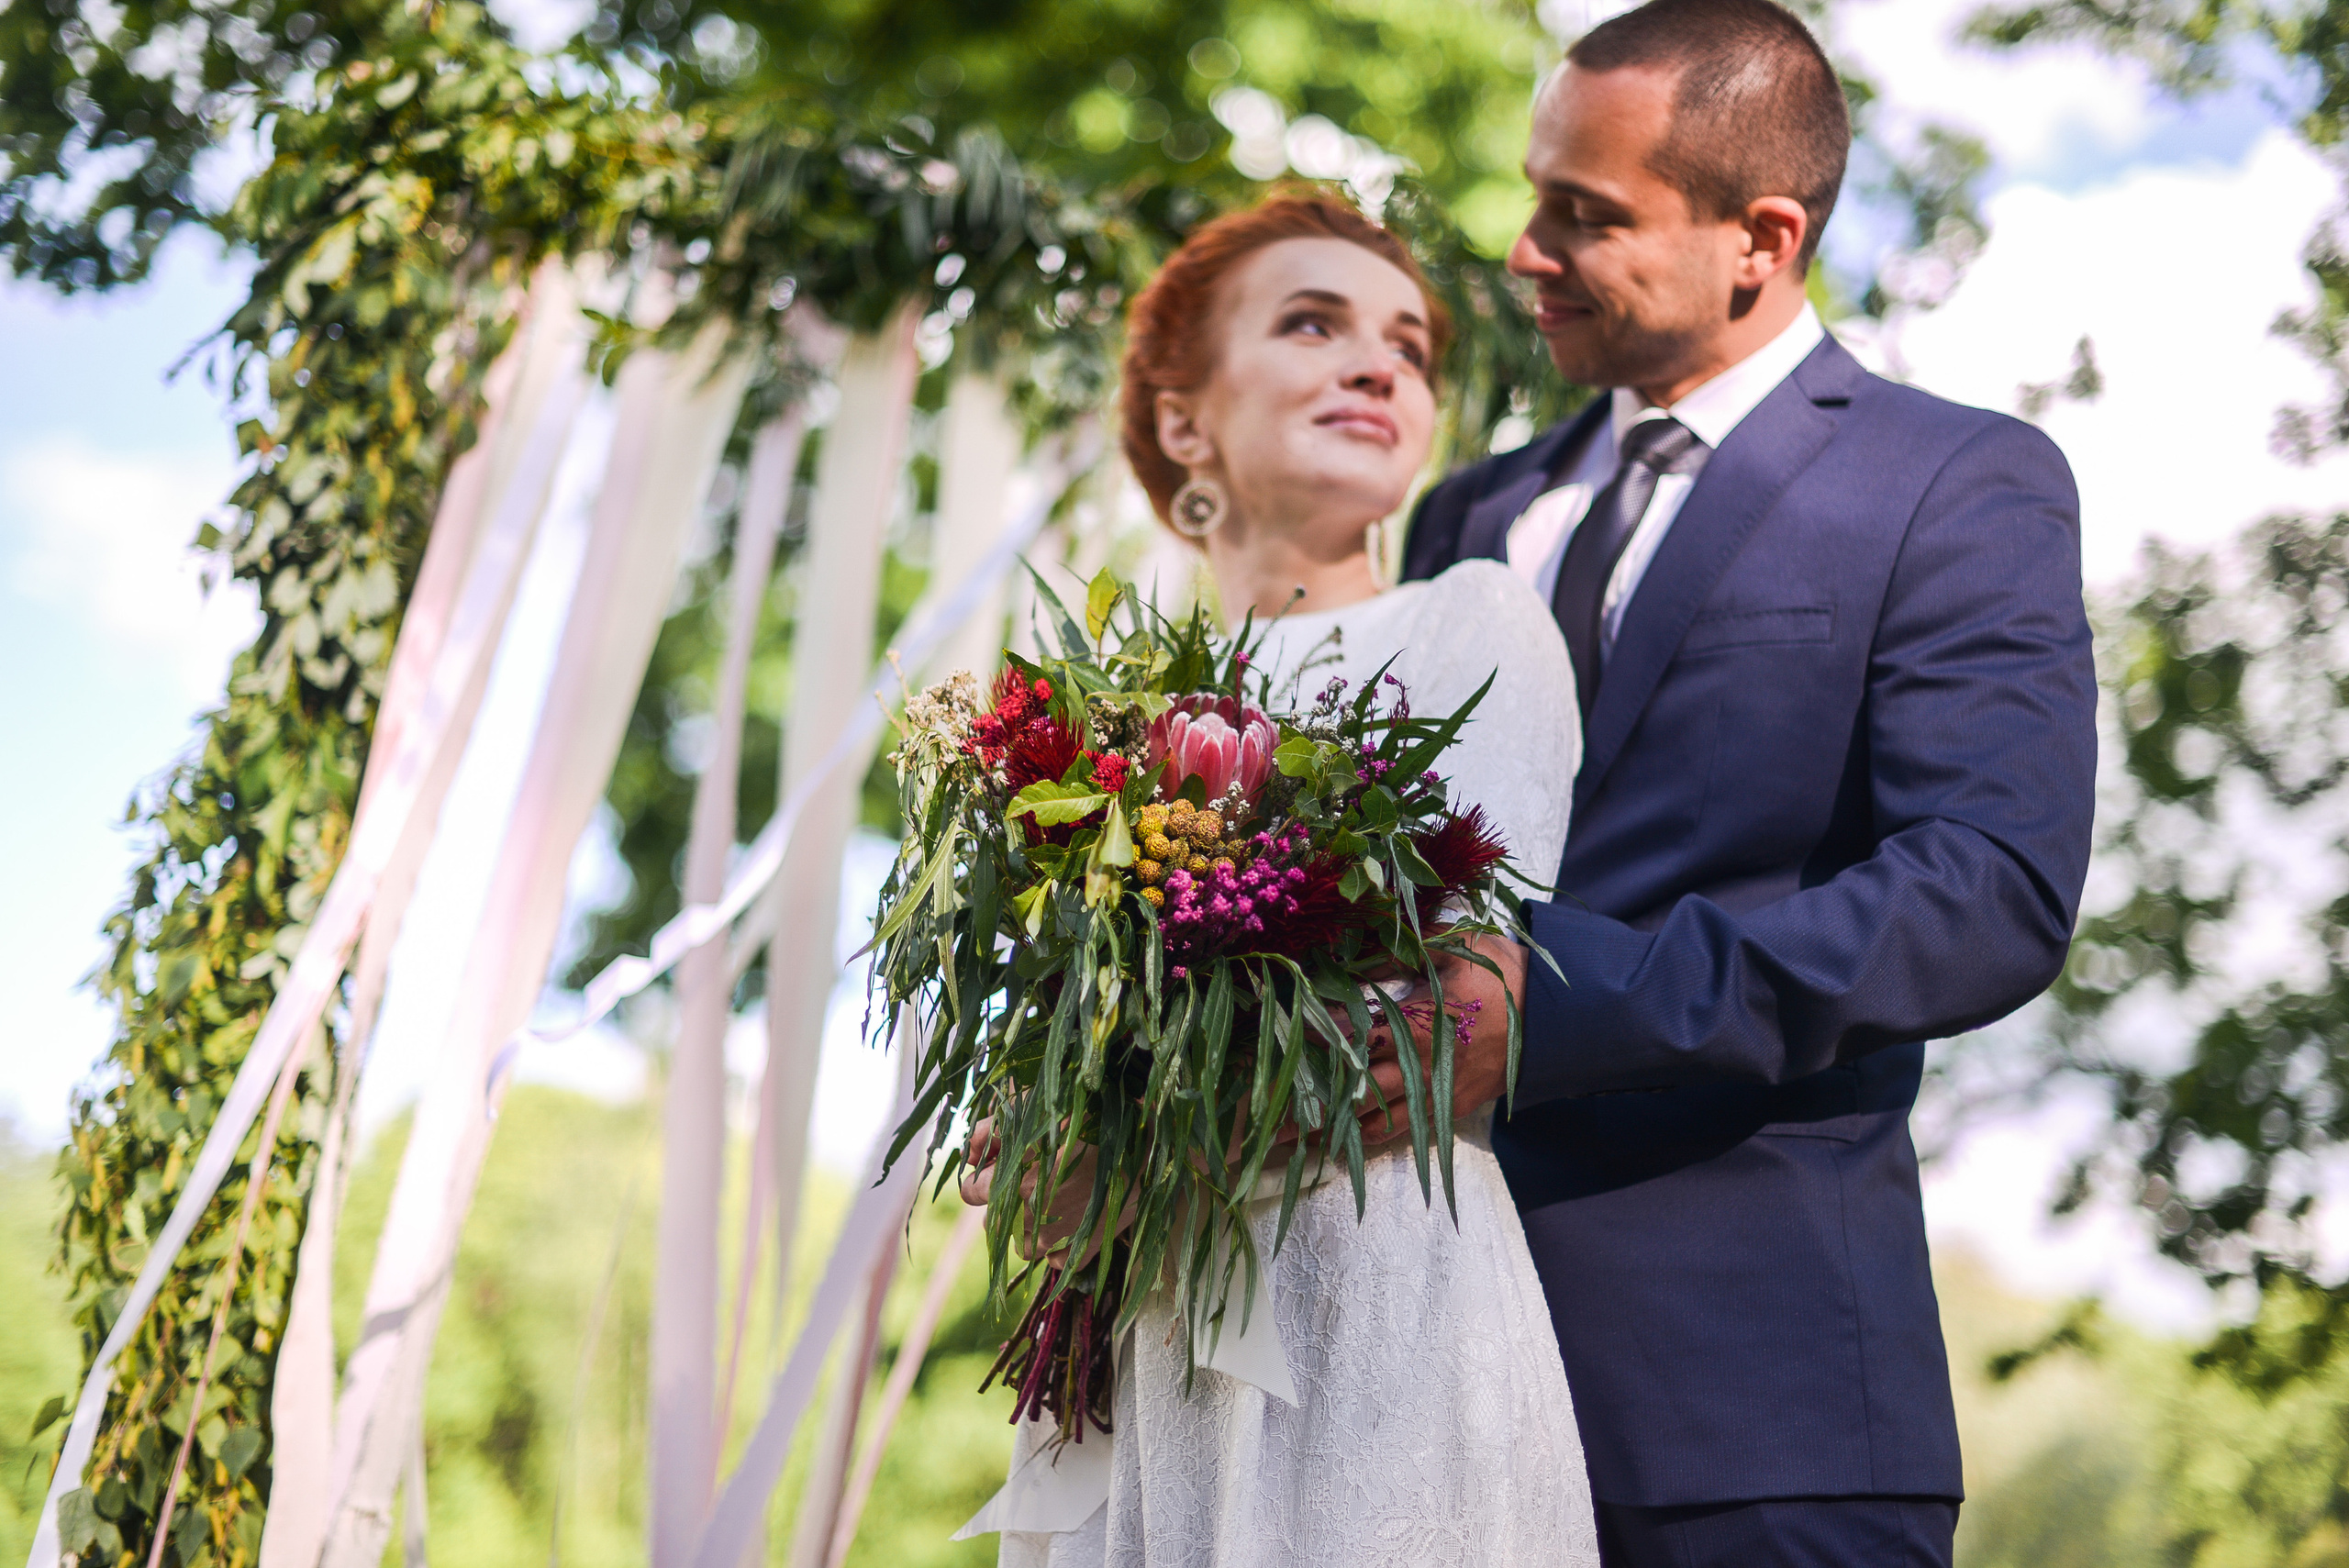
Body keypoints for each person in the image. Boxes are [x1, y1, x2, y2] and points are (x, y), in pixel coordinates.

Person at [1386, 3, 2099, 1566]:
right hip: (1408, 1388)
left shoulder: (1950, 484)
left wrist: (1557, 1010)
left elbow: (1987, 889)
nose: (1524, 251)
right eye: (1534, 195)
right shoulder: (1463, 515)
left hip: (1750, 1410)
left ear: (1761, 239)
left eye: (1589, 216)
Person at [959, 195, 1600, 1568]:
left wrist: (1111, 1159)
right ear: (1183, 421)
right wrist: (1028, 1145)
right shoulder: (1081, 731)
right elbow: (1043, 1092)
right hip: (1139, 1361)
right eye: (1313, 324)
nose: (1379, 365)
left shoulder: (1470, 620)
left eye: (1410, 346)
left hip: (1375, 1306)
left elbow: (1449, 1011)